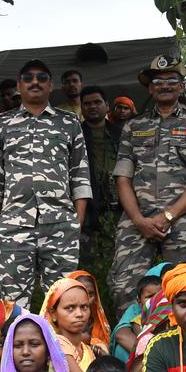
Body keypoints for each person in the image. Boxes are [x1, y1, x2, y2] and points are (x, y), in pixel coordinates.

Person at [0, 59, 91, 308]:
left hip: (61, 223)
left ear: (51, 85)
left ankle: (63, 348)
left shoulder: (68, 122)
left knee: (64, 299)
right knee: (13, 303)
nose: (35, 82)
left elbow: (80, 173)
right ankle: (20, 347)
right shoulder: (2, 123)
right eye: (28, 78)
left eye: (42, 78)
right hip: (13, 225)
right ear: (19, 86)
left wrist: (77, 220)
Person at [110, 56, 186, 310]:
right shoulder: (133, 126)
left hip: (182, 218)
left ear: (181, 86)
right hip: (137, 218)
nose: (165, 85)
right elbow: (122, 177)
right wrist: (138, 220)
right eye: (158, 81)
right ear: (150, 88)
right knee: (123, 287)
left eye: (172, 80)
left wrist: (169, 215)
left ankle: (181, 342)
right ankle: (133, 344)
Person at [80, 84, 124, 304]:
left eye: (97, 102)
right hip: (89, 214)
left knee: (119, 269)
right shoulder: (76, 135)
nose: (92, 107)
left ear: (107, 106)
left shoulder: (121, 133)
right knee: (89, 272)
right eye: (87, 104)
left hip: (118, 211)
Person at [39, 276, 97, 372]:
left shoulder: (87, 349)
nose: (79, 314)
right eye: (70, 308)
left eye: (84, 307)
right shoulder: (58, 345)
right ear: (53, 314)